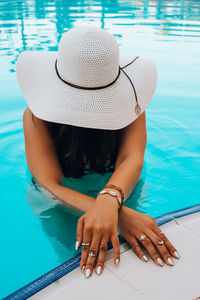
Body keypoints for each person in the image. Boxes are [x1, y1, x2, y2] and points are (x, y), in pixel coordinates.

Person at [16, 26, 180, 279]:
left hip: (120, 186)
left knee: (129, 259)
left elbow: (132, 159)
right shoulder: (36, 116)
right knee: (70, 264)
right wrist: (118, 212)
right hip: (58, 200)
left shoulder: (132, 101)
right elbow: (48, 184)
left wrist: (109, 200)